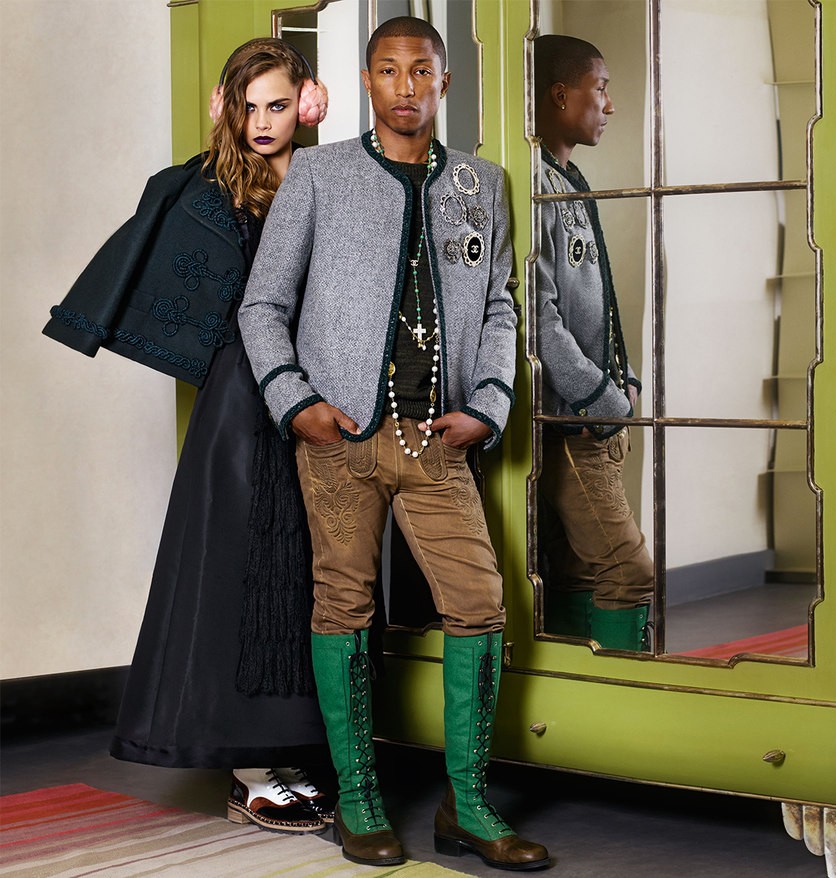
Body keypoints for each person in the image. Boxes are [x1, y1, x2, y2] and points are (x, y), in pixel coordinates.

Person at [238, 16, 548, 870]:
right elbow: (262, 304)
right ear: (366, 81)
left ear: (443, 81)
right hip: (339, 438)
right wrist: (295, 400)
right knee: (342, 607)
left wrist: (488, 404)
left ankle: (469, 806)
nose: (405, 86)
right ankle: (360, 800)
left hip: (437, 443)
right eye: (387, 70)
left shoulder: (482, 182)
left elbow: (499, 304)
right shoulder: (321, 174)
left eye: (420, 70)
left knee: (479, 604)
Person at [42, 40, 335, 834]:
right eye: (248, 107)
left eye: (279, 105)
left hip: (315, 396)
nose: (262, 123)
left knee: (302, 575)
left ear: (305, 102)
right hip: (240, 407)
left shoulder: (322, 178)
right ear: (225, 107)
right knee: (235, 571)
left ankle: (289, 751)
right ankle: (248, 770)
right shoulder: (209, 187)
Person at [533, 34, 654, 651]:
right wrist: (601, 398)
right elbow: (537, 317)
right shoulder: (534, 183)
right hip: (570, 423)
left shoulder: (566, 176)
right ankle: (623, 702)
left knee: (581, 570)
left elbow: (594, 299)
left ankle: (581, 697)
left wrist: (621, 377)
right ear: (561, 95)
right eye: (600, 88)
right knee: (628, 572)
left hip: (590, 412)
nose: (610, 104)